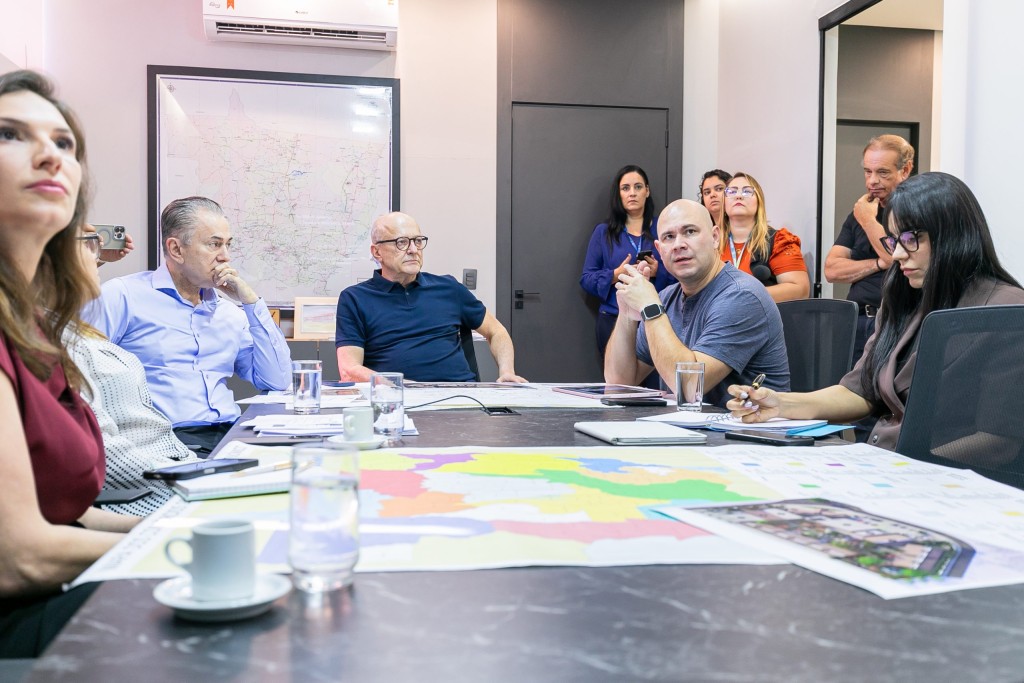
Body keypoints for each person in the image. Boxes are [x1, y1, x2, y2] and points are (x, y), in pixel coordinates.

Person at [728, 172, 1024, 451]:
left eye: (911, 239)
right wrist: (781, 405)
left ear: (953, 236)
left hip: (938, 474)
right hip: (888, 461)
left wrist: (901, 465)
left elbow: (999, 440)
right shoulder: (905, 300)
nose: (897, 254)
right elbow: (859, 392)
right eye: (895, 240)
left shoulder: (1007, 310)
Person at [0, 69, 139, 658]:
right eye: (9, 134)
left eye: (64, 143)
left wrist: (183, 527)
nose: (50, 156)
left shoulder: (34, 327)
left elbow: (70, 515)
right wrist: (187, 545)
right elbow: (19, 557)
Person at [93, 196, 292, 454]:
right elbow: (78, 372)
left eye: (228, 244)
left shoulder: (229, 313)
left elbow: (277, 380)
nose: (226, 257)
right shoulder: (123, 296)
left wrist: (251, 302)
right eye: (214, 244)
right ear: (176, 249)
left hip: (233, 434)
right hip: (164, 443)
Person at [604, 199, 790, 407]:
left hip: (744, 426)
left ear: (715, 237)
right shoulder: (666, 298)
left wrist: (650, 307)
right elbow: (618, 384)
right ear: (659, 249)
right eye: (669, 237)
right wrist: (627, 313)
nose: (678, 244)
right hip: (688, 425)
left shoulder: (743, 295)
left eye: (690, 232)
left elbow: (690, 387)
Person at [68, 224, 198, 516]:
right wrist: (198, 479)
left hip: (176, 465)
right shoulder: (58, 342)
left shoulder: (76, 331)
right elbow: (105, 452)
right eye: (87, 243)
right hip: (154, 490)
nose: (96, 253)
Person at [336, 211, 527, 383]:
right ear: (377, 252)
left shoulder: (448, 287)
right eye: (401, 242)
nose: (413, 249)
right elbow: (349, 370)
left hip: (461, 396)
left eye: (418, 241)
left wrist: (507, 371)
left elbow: (496, 331)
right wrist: (400, 386)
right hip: (397, 400)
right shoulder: (354, 298)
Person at [824, 135, 914, 360]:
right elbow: (832, 270)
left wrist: (867, 221)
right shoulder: (860, 213)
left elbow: (896, 256)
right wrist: (877, 263)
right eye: (868, 171)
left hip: (897, 321)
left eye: (882, 173)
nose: (872, 181)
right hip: (858, 320)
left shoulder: (915, 210)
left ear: (905, 170)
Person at [580, 165, 674, 357]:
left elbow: (682, 275)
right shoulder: (603, 232)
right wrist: (615, 274)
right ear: (619, 194)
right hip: (613, 319)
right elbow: (586, 279)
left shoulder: (664, 228)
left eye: (638, 187)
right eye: (626, 188)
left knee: (658, 375)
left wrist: (658, 272)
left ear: (647, 191)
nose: (632, 193)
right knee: (618, 376)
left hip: (656, 319)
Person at [719, 172, 810, 303]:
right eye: (731, 192)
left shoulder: (778, 240)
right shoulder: (711, 244)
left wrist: (743, 297)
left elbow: (800, 290)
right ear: (724, 203)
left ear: (759, 202)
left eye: (747, 191)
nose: (738, 196)